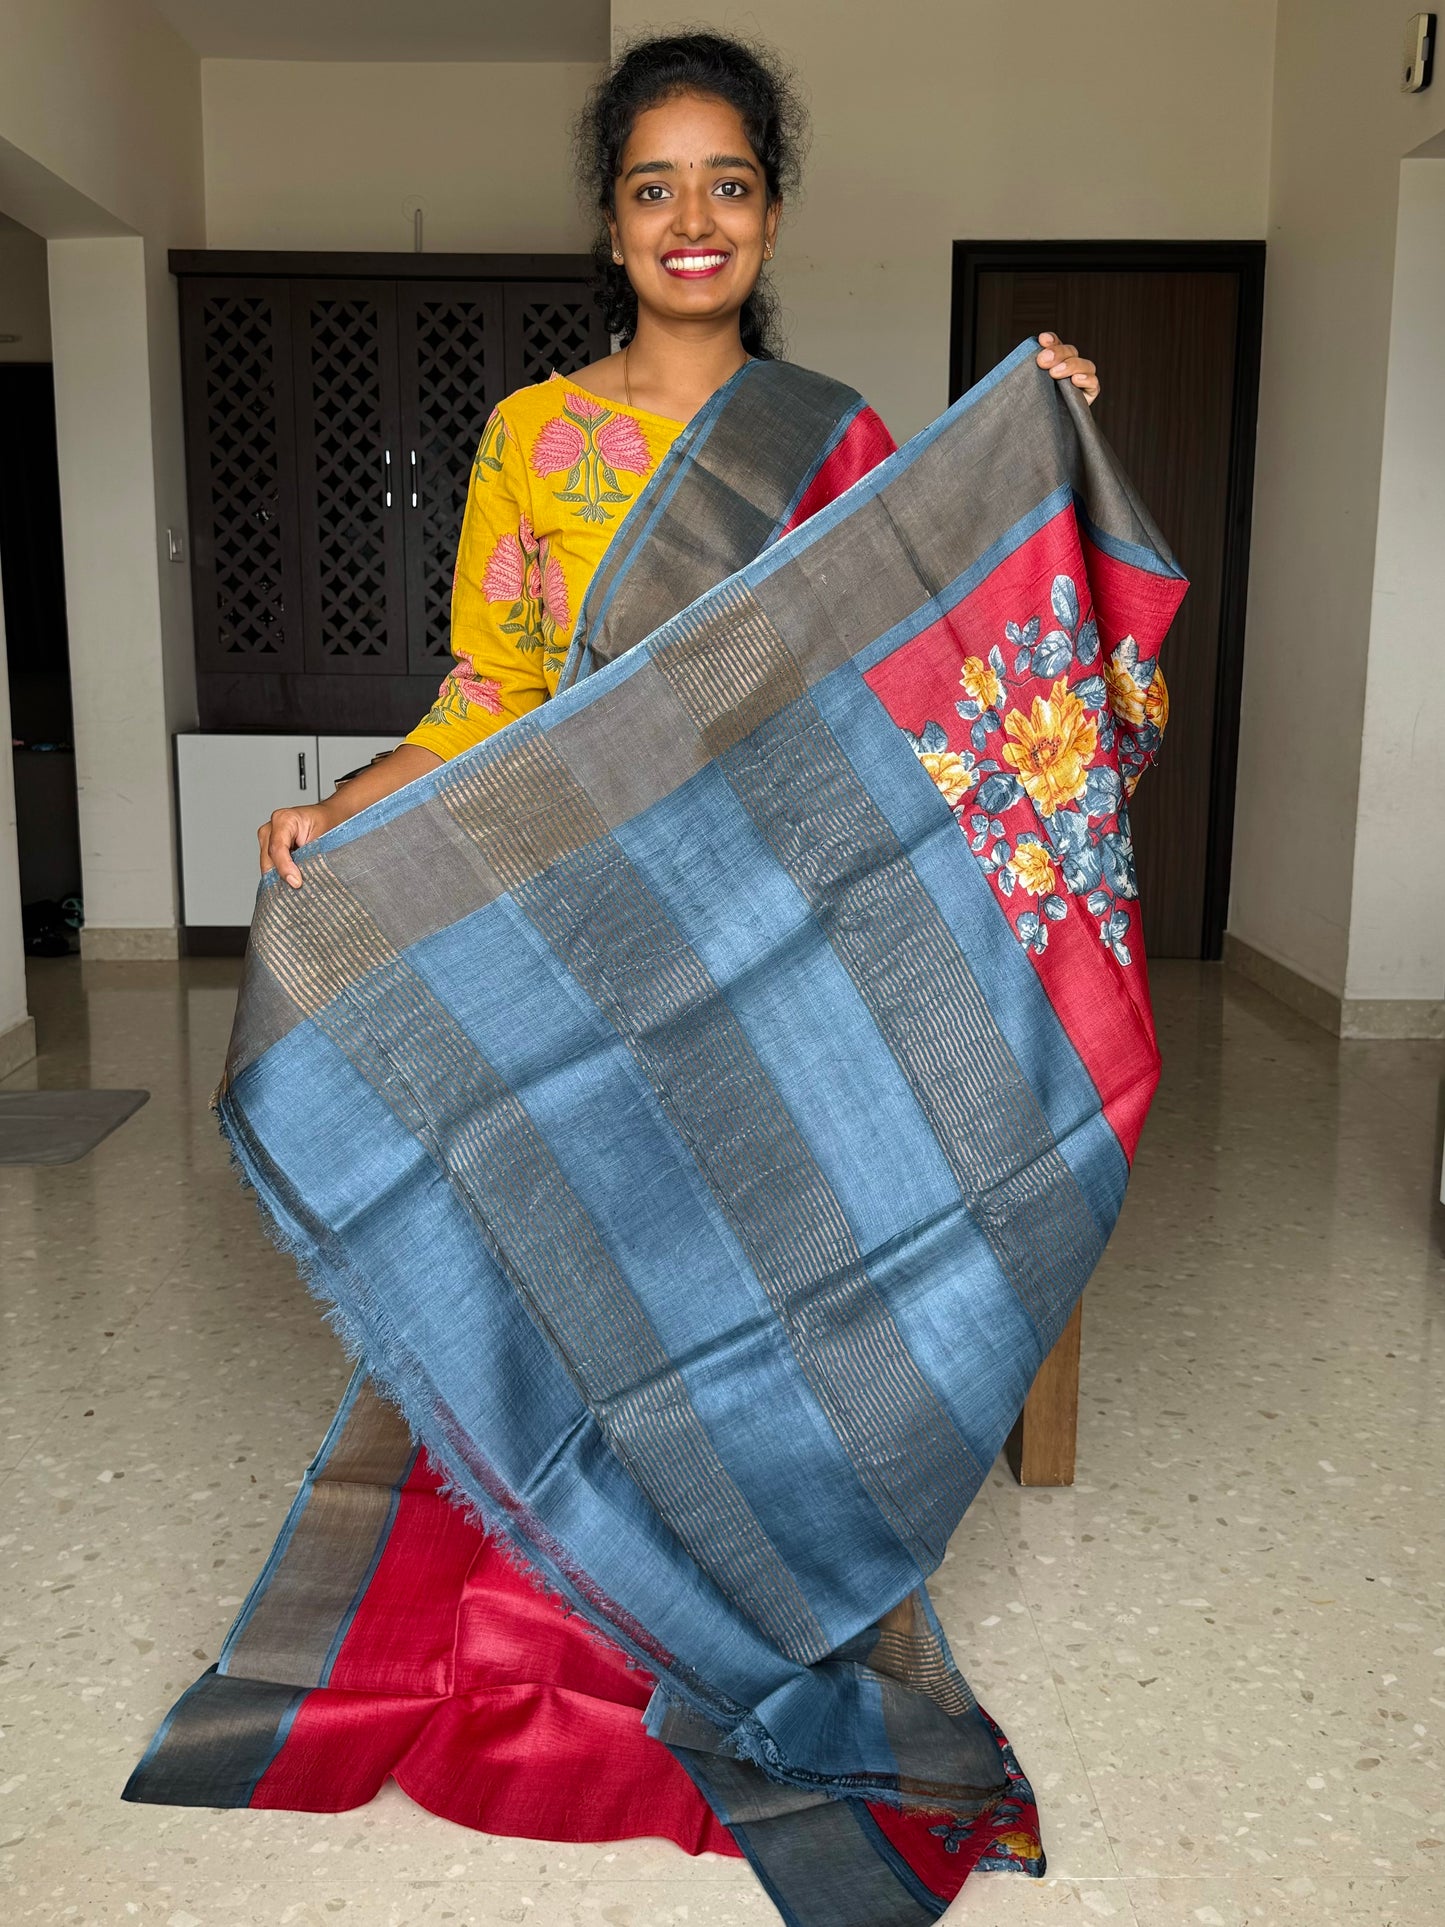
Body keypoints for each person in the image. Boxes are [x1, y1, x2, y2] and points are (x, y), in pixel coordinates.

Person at [256, 32, 1098, 887]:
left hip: (788, 891)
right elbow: (492, 695)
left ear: (768, 225)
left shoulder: (832, 436)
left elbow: (927, 658)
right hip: (594, 883)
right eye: (653, 190)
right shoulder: (530, 434)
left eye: (728, 187)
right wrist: (337, 810)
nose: (693, 220)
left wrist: (1041, 445)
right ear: (615, 232)